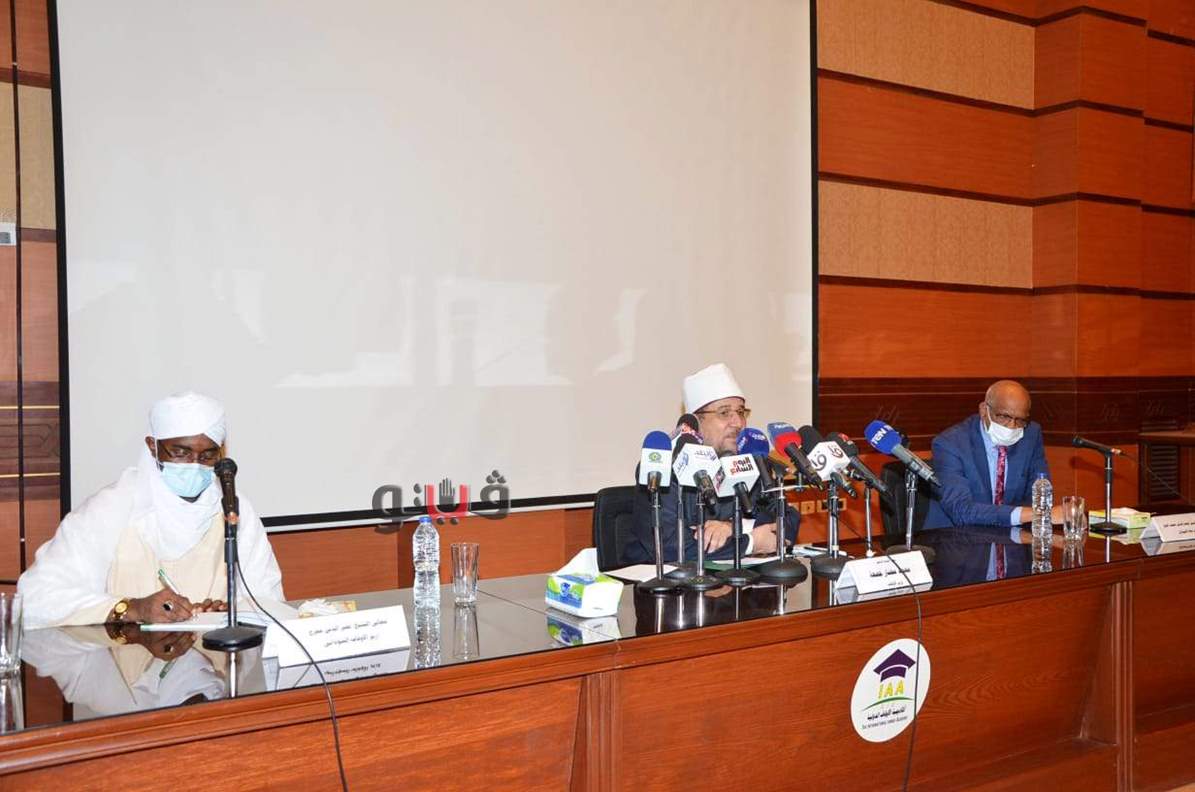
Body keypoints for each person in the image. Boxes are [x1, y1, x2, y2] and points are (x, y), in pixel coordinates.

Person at [18, 392, 284, 629]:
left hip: (215, 664)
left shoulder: (233, 508)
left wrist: (229, 613)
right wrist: (133, 608)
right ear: (152, 447)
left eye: (207, 456)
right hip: (122, 660)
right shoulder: (112, 507)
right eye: (180, 452)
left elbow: (269, 600)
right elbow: (35, 599)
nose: (194, 465)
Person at [628, 363, 799, 563]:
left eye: (741, 412)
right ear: (696, 423)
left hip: (732, 577)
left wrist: (732, 527)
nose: (738, 423)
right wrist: (750, 542)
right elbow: (671, 547)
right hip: (659, 579)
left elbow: (788, 519)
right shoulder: (664, 467)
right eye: (724, 413)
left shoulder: (750, 460)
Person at [924, 379, 1065, 540]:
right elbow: (960, 510)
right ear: (984, 410)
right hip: (956, 541)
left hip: (1010, 539)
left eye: (1020, 420)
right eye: (1004, 416)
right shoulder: (951, 443)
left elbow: (1039, 492)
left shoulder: (1030, 435)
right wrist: (1036, 515)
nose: (1012, 426)